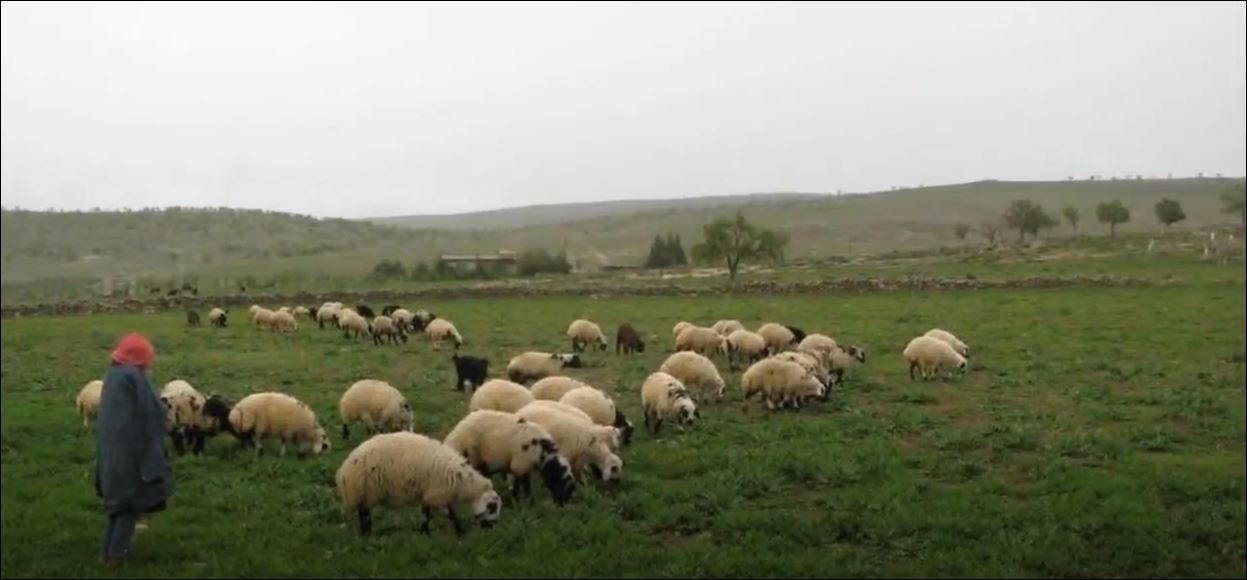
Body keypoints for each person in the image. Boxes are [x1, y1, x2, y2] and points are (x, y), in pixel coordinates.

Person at [93, 332, 173, 567]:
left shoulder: (113, 375)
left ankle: (105, 554)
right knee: (129, 505)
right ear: (141, 358)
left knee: (116, 506)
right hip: (131, 452)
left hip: (111, 450)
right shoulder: (135, 378)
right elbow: (152, 411)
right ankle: (117, 555)